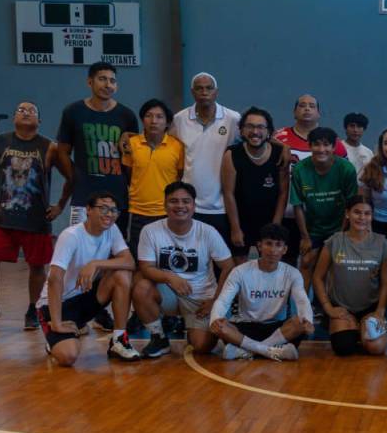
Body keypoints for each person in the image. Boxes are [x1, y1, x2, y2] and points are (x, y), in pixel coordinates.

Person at [0, 100, 70, 331]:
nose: (26, 113)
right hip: (3, 218)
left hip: (36, 219)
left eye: (32, 110)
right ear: (14, 118)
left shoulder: (50, 147)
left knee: (37, 266)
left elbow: (71, 177)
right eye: (21, 110)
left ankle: (33, 309)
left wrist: (60, 206)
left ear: (39, 120)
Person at [55, 62, 138, 331]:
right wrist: (75, 178)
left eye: (112, 80)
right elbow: (62, 151)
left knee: (109, 254)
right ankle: (70, 303)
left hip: (117, 197)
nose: (108, 84)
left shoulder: (126, 115)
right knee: (78, 254)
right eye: (102, 79)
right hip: (84, 196)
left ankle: (98, 308)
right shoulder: (73, 112)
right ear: (89, 82)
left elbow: (129, 159)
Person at [132, 181, 235, 358]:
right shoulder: (150, 230)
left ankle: (193, 328)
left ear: (194, 206)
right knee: (141, 286)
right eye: (174, 201)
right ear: (164, 204)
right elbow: (146, 267)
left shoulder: (208, 232)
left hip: (201, 297)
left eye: (185, 201)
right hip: (167, 292)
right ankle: (159, 338)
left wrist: (216, 300)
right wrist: (170, 277)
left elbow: (228, 267)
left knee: (201, 346)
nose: (180, 206)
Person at [34, 191, 138, 366]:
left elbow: (129, 262)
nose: (109, 214)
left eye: (113, 210)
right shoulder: (71, 236)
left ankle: (119, 339)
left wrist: (96, 264)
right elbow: (54, 279)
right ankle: (55, 337)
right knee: (68, 357)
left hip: (84, 298)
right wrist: (57, 323)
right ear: (88, 210)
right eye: (103, 208)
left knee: (122, 273)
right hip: (57, 304)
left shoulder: (112, 229)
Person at [209, 223, 315, 361]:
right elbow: (223, 300)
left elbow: (302, 300)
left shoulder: (292, 273)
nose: (273, 249)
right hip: (246, 327)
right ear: (259, 246)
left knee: (298, 323)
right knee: (222, 326)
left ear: (284, 249)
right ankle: (272, 351)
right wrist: (215, 319)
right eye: (268, 244)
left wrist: (308, 320)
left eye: (278, 245)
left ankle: (247, 351)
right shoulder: (240, 271)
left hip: (277, 329)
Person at [312, 196, 387, 356]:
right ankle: (354, 329)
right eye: (357, 212)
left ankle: (361, 327)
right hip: (341, 308)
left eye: (367, 213)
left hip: (370, 308)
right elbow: (317, 277)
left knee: (376, 349)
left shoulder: (381, 243)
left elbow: (385, 282)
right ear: (347, 214)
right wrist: (328, 307)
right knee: (343, 347)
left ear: (372, 216)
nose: (362, 217)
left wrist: (380, 310)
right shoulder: (334, 242)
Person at [273, 94, 348, 265]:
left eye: (312, 106)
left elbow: (343, 179)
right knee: (286, 262)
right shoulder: (279, 137)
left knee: (315, 264)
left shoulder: (332, 142)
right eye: (302, 105)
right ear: (294, 111)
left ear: (319, 113)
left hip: (319, 218)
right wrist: (281, 145)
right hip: (287, 213)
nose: (307, 108)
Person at [169, 72, 241, 249]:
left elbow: (257, 137)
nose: (204, 92)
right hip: (190, 205)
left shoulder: (233, 119)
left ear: (216, 92)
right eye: (199, 89)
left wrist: (282, 147)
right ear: (192, 93)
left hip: (222, 207)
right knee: (192, 256)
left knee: (221, 258)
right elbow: (165, 146)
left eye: (209, 88)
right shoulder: (179, 119)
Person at [289, 127, 358, 290]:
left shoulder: (346, 169)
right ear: (309, 146)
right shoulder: (300, 169)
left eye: (326, 145)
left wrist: (340, 235)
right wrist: (305, 237)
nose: (321, 150)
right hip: (313, 229)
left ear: (334, 147)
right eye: (317, 145)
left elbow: (351, 205)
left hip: (338, 228)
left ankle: (325, 308)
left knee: (332, 266)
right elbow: (298, 206)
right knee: (306, 262)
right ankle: (304, 309)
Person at [221, 106, 287, 264]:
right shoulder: (232, 154)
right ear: (242, 130)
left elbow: (283, 192)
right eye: (249, 126)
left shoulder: (280, 154)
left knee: (269, 266)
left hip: (269, 220)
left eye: (260, 127)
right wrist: (235, 228)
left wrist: (275, 225)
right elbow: (228, 193)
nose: (255, 131)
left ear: (269, 131)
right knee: (240, 268)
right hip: (241, 220)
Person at [122, 99, 184, 257]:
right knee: (139, 258)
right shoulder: (132, 144)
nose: (154, 121)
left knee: (165, 258)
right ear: (143, 120)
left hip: (166, 213)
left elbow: (180, 176)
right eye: (149, 116)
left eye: (159, 117)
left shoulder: (177, 146)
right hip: (137, 213)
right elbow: (129, 174)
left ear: (167, 122)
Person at [342, 112, 374, 177]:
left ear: (364, 129)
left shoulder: (369, 153)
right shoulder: (338, 148)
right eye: (352, 126)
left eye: (359, 126)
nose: (355, 130)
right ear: (345, 128)